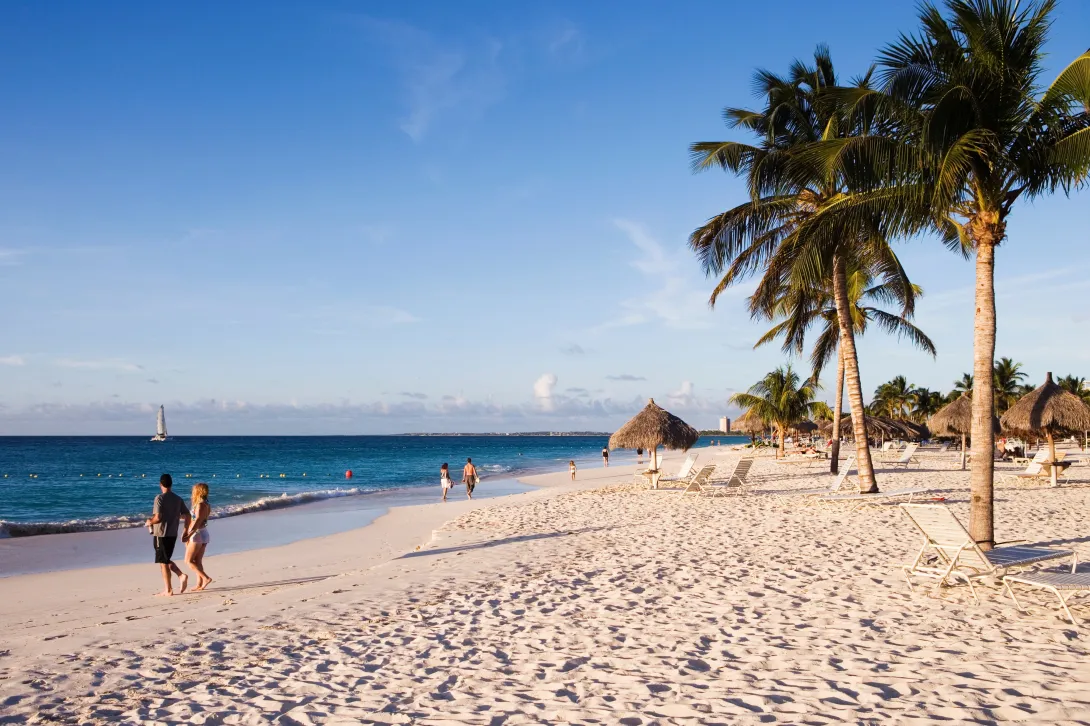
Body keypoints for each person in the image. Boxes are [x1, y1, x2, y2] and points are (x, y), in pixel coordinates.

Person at [144, 474, 192, 597]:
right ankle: (179, 577)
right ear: (171, 484)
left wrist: (150, 521)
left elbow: (158, 518)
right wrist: (185, 530)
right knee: (165, 559)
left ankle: (169, 589)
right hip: (173, 533)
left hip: (161, 533)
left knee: (163, 561)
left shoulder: (159, 498)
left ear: (160, 484)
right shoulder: (178, 498)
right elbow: (188, 515)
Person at [182, 482, 213, 592]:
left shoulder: (199, 505)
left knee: (188, 561)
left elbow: (198, 520)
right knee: (197, 561)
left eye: (194, 490)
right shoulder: (206, 504)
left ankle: (206, 578)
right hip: (203, 533)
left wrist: (188, 534)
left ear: (198, 491)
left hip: (197, 534)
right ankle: (199, 584)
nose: (192, 492)